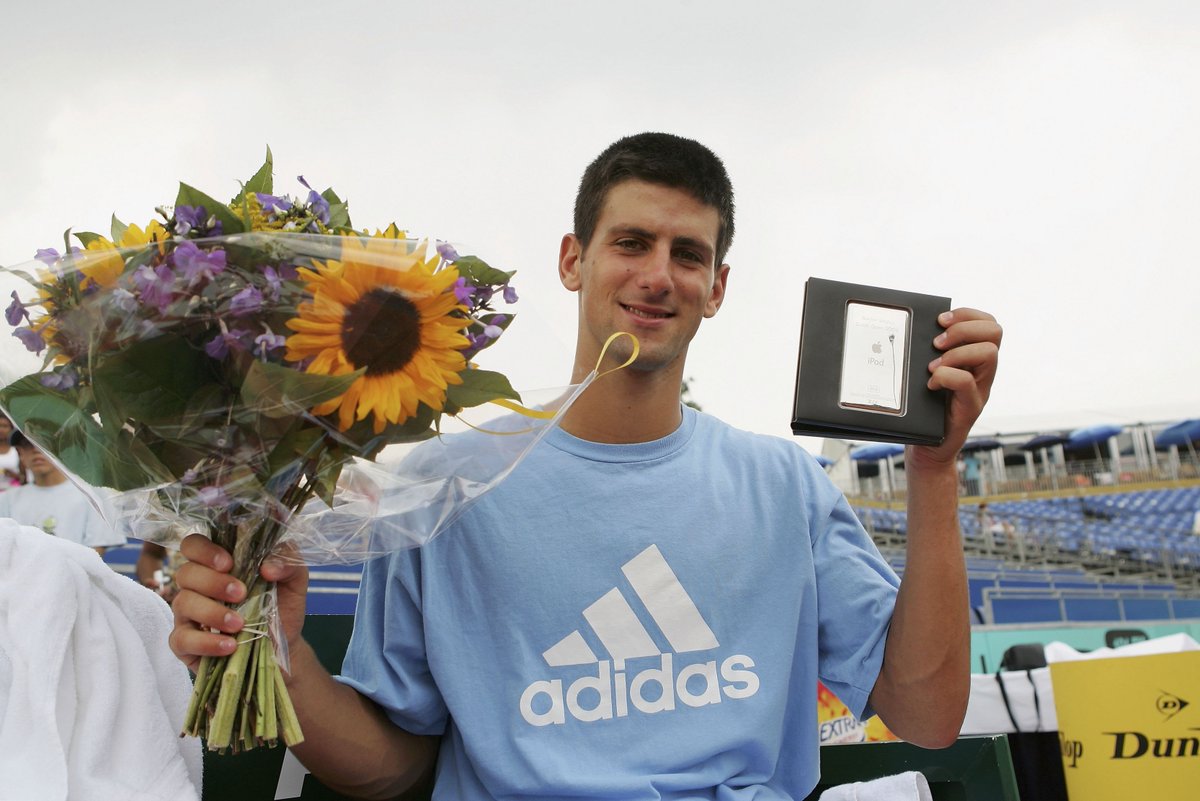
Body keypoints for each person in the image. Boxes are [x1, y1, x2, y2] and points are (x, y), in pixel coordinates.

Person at [170, 133, 1002, 800]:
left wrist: (934, 472)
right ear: (573, 259)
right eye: (631, 242)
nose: (657, 275)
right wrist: (270, 645)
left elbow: (926, 715)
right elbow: (388, 766)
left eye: (688, 253)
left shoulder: (783, 485)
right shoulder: (445, 488)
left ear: (717, 286)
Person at [0, 430, 124, 555]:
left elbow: (94, 555)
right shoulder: (6, 500)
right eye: (28, 443)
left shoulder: (94, 496)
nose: (36, 449)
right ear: (20, 453)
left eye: (45, 442)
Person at [0, 413, 22, 490]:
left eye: (5, 426)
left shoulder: (18, 450)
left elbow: (27, 477)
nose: (1, 430)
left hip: (14, 492)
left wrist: (14, 475)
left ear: (11, 428)